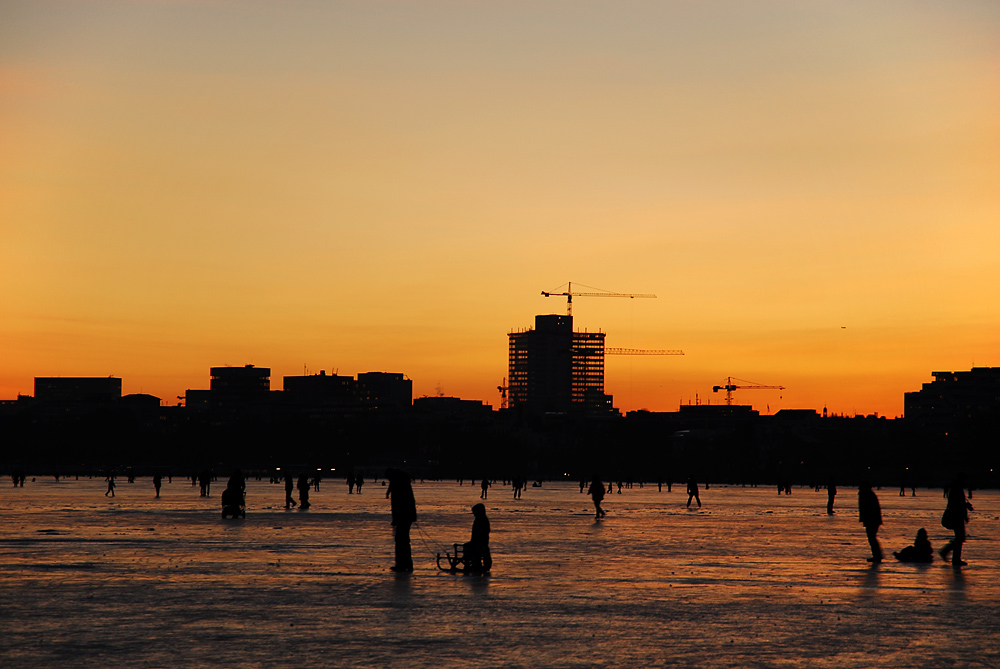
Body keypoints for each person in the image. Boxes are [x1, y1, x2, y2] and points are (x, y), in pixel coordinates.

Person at [940, 473, 973, 569]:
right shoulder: (957, 489)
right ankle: (951, 555)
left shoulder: (955, 488)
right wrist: (965, 509)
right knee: (960, 537)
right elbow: (958, 504)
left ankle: (953, 557)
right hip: (956, 516)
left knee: (959, 537)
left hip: (956, 515)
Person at [386, 468, 417, 572]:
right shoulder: (404, 484)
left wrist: (396, 519)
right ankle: (406, 563)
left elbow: (397, 505)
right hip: (406, 516)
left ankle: (402, 564)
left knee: (401, 540)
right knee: (403, 540)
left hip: (403, 516)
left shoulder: (398, 485)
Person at [858, 480, 883, 562]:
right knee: (872, 537)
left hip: (871, 519)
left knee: (871, 537)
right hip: (872, 519)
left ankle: (877, 555)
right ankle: (877, 555)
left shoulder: (866, 494)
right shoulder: (868, 494)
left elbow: (867, 508)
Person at [464, 503, 492, 573]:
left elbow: (478, 534)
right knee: (467, 546)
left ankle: (473, 564)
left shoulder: (481, 520)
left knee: (469, 548)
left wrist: (474, 542)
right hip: (480, 542)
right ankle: (473, 563)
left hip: (480, 542)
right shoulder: (481, 519)